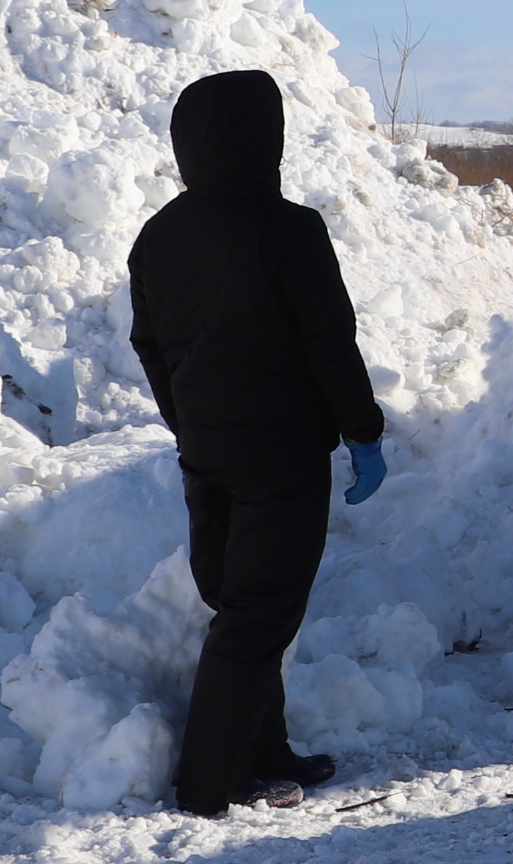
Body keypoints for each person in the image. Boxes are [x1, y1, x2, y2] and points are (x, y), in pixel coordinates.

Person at [127, 70, 389, 817]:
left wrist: (191, 422)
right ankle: (207, 786)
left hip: (207, 451)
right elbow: (328, 342)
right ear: (264, 140)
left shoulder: (160, 235)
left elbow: (150, 346)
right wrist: (362, 432)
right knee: (257, 616)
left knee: (242, 603)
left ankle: (264, 753)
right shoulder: (289, 229)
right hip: (281, 455)